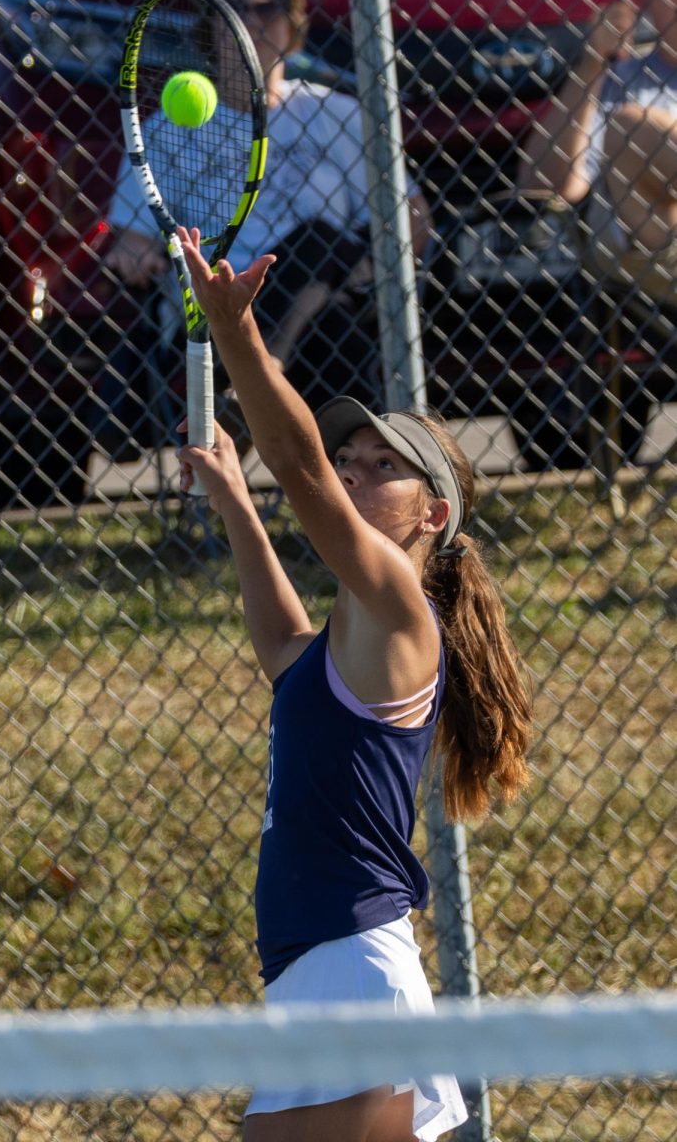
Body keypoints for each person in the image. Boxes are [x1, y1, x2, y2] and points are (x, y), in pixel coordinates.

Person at [175, 225, 532, 1142]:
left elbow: (299, 467)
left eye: (384, 467)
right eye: (351, 460)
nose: (354, 473)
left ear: (433, 513)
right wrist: (238, 509)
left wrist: (237, 334)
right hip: (319, 965)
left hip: (350, 966)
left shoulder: (405, 612)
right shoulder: (351, 640)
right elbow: (283, 647)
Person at [107, 0, 432, 412]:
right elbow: (134, 240)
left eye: (267, 7)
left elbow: (414, 217)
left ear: (292, 21)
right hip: (229, 300)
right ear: (210, 24)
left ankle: (251, 377)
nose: (251, 21)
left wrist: (381, 268)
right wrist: (135, 255)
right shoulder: (167, 130)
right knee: (332, 330)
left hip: (338, 274)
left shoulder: (335, 112)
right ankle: (354, 463)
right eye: (234, 8)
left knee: (315, 243)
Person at [517, 0, 677, 302]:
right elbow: (542, 185)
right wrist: (593, 64)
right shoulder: (619, 81)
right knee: (631, 126)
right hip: (660, 251)